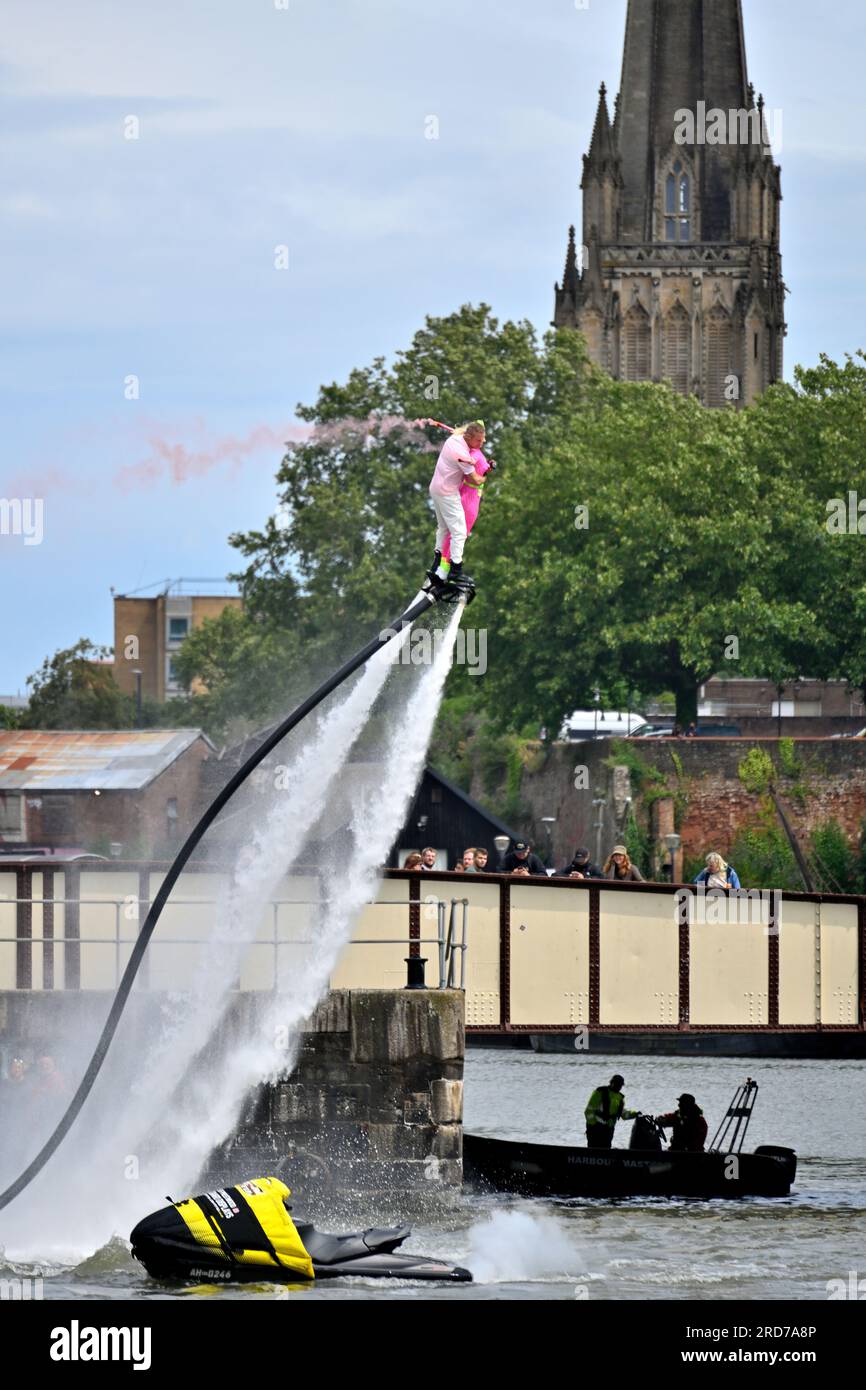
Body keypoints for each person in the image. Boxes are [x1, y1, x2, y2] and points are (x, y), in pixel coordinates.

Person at [426, 422, 487, 590]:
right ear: (468, 438)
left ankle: (437, 565)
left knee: (443, 528)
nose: (482, 444)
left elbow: (462, 437)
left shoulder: (455, 439)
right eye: (479, 441)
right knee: (459, 532)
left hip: (435, 489)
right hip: (447, 492)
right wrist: (484, 478)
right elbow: (475, 479)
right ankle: (455, 570)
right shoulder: (462, 455)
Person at [440, 432, 494, 577]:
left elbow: (479, 468)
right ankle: (448, 569)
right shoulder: (473, 455)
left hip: (466, 494)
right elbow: (476, 474)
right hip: (470, 498)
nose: (484, 441)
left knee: (455, 532)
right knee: (460, 533)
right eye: (481, 438)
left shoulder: (472, 452)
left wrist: (488, 467)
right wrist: (483, 474)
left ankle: (443, 567)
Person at [584, 1074, 638, 1149]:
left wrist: (636, 1114)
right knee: (594, 1151)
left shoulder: (620, 1098)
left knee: (606, 1152)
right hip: (595, 1129)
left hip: (608, 1130)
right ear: (612, 1083)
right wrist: (593, 1125)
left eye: (620, 1085)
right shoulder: (600, 1092)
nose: (619, 1087)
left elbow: (623, 1114)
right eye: (617, 1085)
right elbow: (588, 1111)